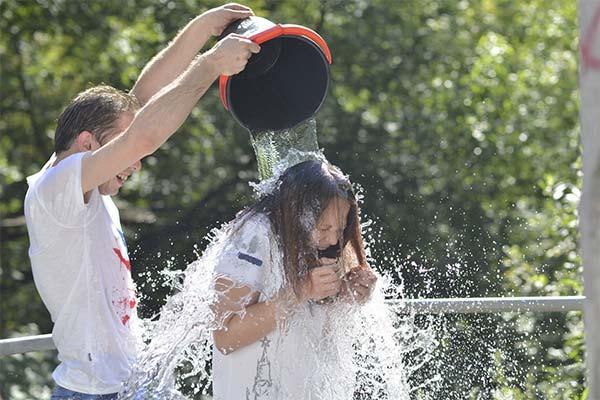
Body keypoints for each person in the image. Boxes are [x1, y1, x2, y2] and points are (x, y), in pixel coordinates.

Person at [23, 4, 260, 399]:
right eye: (125, 156)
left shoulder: (82, 178)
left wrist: (202, 27)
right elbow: (143, 137)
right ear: (87, 144)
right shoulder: (55, 188)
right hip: (94, 392)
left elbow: (143, 102)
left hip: (133, 382)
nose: (135, 165)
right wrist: (209, 66)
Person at [211, 159, 379, 399]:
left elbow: (320, 330)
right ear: (297, 213)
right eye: (324, 228)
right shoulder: (253, 237)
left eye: (340, 229)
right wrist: (301, 292)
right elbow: (225, 336)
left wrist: (348, 293)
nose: (333, 240)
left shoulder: (323, 245)